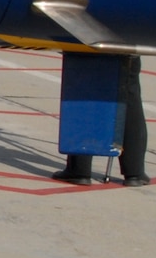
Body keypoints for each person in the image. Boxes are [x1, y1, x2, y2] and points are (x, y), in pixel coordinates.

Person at [51, 54, 149, 186]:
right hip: (127, 39)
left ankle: (79, 168)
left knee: (83, 88)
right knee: (129, 92)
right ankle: (134, 172)